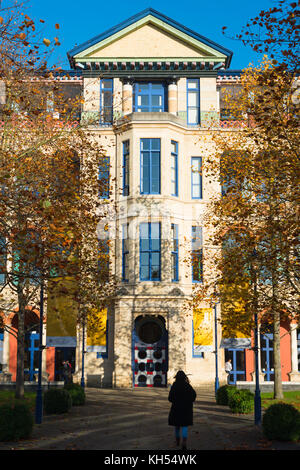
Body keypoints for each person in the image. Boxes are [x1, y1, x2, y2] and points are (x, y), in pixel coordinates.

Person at [168, 370, 196, 450]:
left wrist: (175, 401)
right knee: (184, 426)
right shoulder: (187, 386)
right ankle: (184, 441)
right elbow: (194, 395)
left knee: (177, 426)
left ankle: (177, 441)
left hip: (176, 409)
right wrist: (189, 401)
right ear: (184, 377)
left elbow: (170, 398)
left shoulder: (174, 386)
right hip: (186, 409)